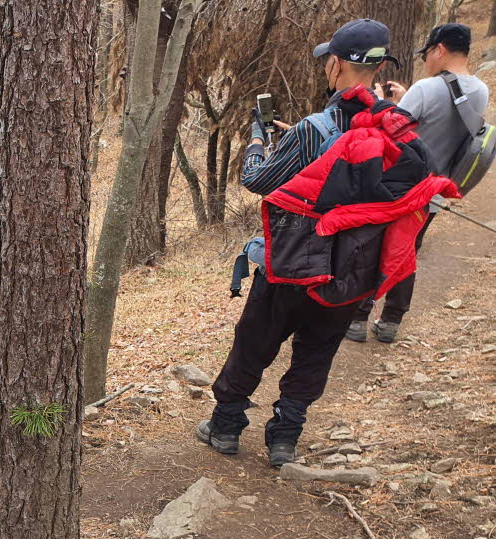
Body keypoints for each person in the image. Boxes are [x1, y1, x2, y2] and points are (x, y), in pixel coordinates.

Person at [198, 19, 440, 467]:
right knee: (317, 351)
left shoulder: (314, 129)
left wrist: (258, 139)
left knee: (255, 341)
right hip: (353, 270)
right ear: (379, 66)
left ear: (335, 65)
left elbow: (257, 180)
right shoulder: (393, 130)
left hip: (294, 262)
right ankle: (285, 438)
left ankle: (226, 426)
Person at [347, 23, 490, 344]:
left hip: (398, 189)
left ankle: (357, 318)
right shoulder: (481, 91)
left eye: (427, 54)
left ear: (440, 49)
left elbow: (389, 130)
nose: (425, 60)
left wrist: (382, 101)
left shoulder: (425, 89)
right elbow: (443, 122)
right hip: (434, 192)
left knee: (375, 250)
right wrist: (406, 99)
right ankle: (391, 321)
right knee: (407, 252)